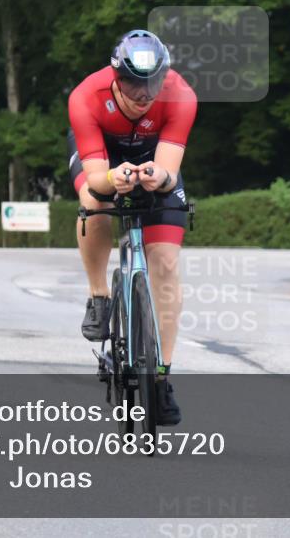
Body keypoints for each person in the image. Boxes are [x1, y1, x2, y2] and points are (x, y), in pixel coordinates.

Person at [67, 29, 197, 425]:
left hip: (152, 158)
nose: (144, 95)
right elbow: (95, 180)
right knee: (94, 202)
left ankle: (160, 377)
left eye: (152, 84)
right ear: (115, 76)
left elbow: (170, 174)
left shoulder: (182, 96)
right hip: (103, 158)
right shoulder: (85, 97)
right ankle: (99, 295)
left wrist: (160, 176)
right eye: (133, 84)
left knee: (167, 265)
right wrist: (113, 179)